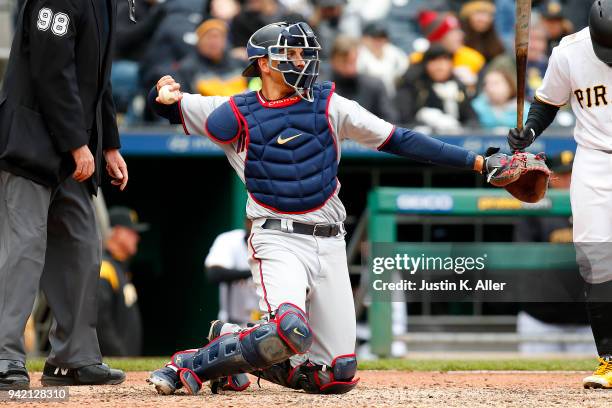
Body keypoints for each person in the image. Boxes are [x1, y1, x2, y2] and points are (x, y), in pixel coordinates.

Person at [145, 21, 497, 396]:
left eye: (305, 54)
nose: (303, 62)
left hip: (330, 241)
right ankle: (191, 364)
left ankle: (231, 346)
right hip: (277, 237)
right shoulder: (234, 111)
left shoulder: (329, 103)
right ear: (264, 64)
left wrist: (480, 163)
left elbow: (400, 138)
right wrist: (160, 91)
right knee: (289, 328)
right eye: (291, 55)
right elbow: (168, 105)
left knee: (336, 375)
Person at [0, 0, 128, 390]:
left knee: (83, 247)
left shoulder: (105, 3)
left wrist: (109, 144)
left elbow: (98, 81)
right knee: (22, 250)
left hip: (74, 152)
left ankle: (73, 358)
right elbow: (51, 70)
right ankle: (4, 356)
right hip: (32, 142)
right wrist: (76, 143)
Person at [507, 0, 612, 389]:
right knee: (596, 260)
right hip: (596, 159)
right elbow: (547, 102)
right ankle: (610, 359)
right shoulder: (571, 51)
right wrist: (529, 132)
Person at [514, 151, 594, 354]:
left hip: (589, 320)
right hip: (541, 318)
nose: (568, 181)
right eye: (562, 176)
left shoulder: (597, 208)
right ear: (550, 179)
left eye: (572, 175)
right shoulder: (534, 210)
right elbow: (525, 259)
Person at [97, 207, 149, 357]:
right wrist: (119, 355)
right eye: (132, 232)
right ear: (118, 232)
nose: (137, 238)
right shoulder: (105, 267)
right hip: (110, 361)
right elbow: (100, 322)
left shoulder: (120, 269)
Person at [396, 45, 476, 132]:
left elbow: (471, 118)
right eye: (434, 61)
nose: (439, 66)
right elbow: (404, 118)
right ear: (425, 64)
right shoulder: (414, 85)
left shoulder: (459, 86)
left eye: (444, 60)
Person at [326, 35, 398, 122]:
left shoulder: (375, 86)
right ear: (332, 61)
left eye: (353, 61)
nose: (350, 68)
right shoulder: (321, 89)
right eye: (344, 62)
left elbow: (390, 122)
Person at [205, 219, 261, 327]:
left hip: (266, 325)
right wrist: (254, 272)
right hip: (233, 326)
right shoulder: (229, 240)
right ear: (248, 222)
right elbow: (213, 273)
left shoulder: (277, 248)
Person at [172, 19, 248, 97]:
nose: (214, 42)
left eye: (218, 37)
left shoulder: (239, 63)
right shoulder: (186, 68)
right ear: (199, 41)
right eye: (209, 37)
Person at [415, 10, 486, 87]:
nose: (461, 35)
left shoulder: (472, 58)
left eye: (459, 30)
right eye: (453, 32)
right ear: (439, 38)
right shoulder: (418, 60)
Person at [356, 21, 408, 98]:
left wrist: (397, 78)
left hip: (390, 96)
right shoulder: (360, 53)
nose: (379, 41)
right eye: (375, 37)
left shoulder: (391, 51)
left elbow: (404, 65)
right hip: (366, 97)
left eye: (382, 37)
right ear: (365, 38)